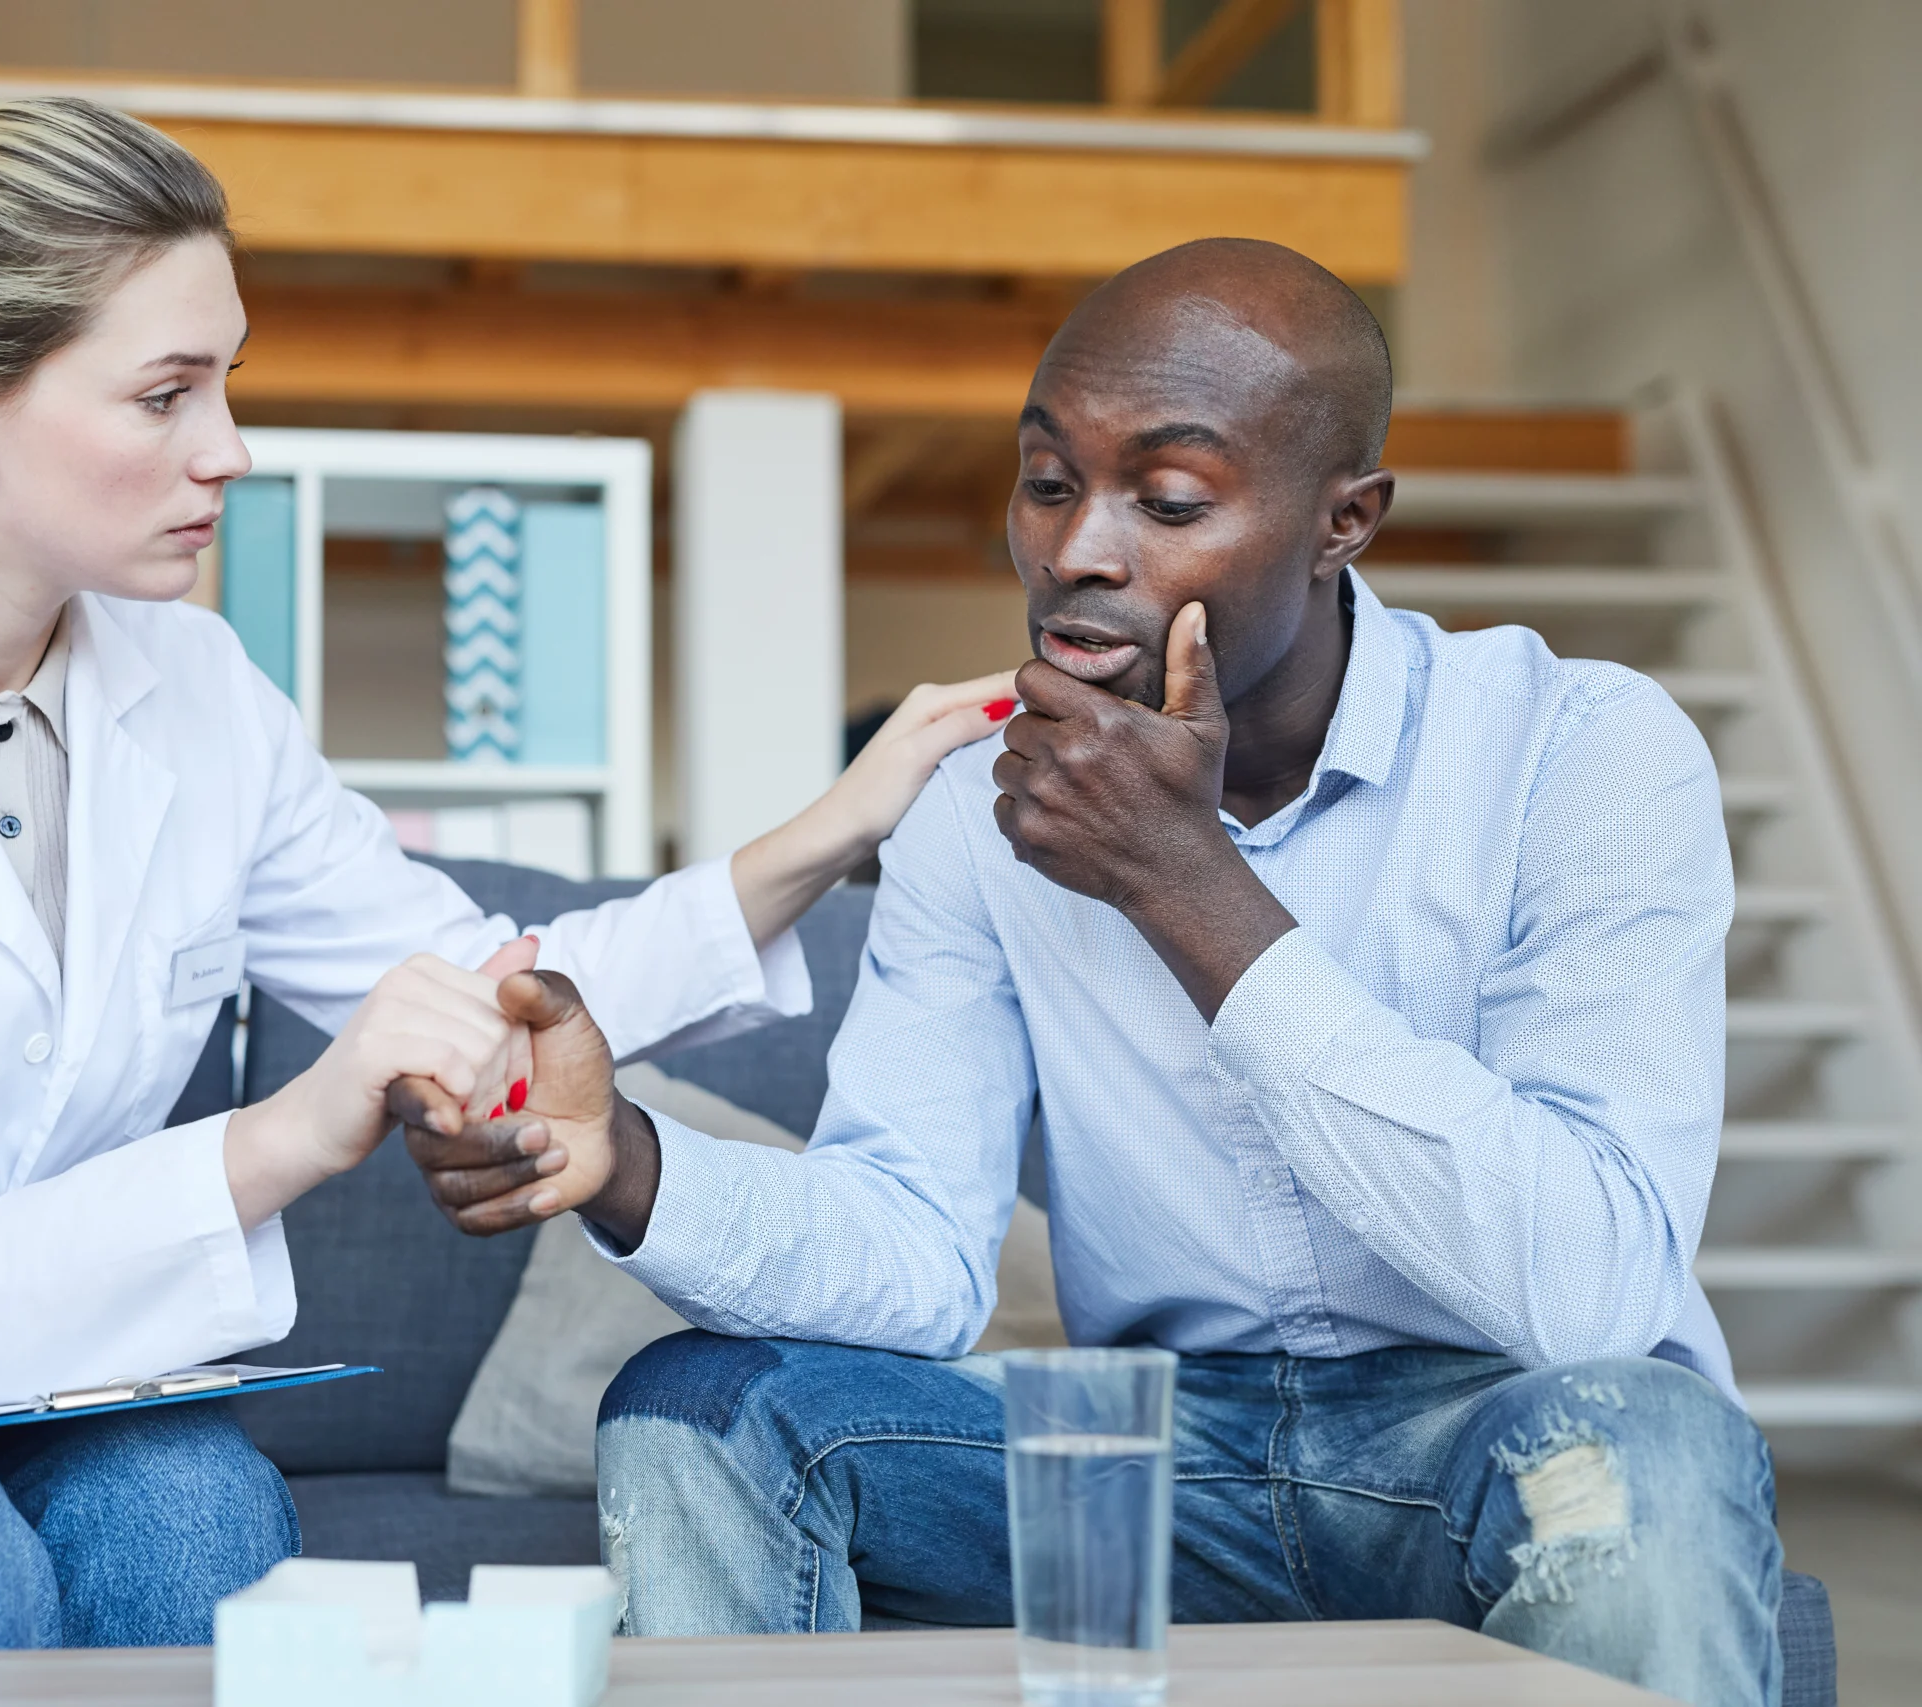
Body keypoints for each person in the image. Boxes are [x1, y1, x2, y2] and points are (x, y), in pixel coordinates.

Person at [0, 95, 1010, 1657]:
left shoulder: (195, 686)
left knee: (202, 1512)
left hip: (29, 1371)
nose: (227, 448)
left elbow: (491, 983)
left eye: (226, 382)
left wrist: (835, 826)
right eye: (166, 394)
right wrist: (300, 1128)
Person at [407, 239, 1784, 1707]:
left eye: (1169, 499)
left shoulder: (1580, 751)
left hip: (1499, 1434)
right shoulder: (972, 812)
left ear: (1345, 523)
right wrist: (625, 1164)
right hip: (1151, 1455)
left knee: (1645, 1445)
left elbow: (1589, 1286)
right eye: (1050, 481)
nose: (1078, 550)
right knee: (704, 1409)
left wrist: (1182, 881)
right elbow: (915, 1246)